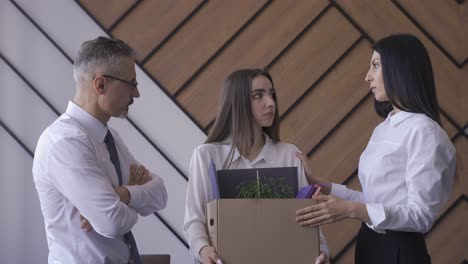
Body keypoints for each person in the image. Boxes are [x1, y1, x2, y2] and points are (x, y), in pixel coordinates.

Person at [295, 34, 457, 264]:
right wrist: (321, 183)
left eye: (376, 65)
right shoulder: (384, 128)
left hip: (399, 252)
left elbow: (421, 216)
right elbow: (373, 200)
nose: (367, 76)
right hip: (369, 244)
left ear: (400, 68)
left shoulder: (424, 132)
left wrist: (352, 210)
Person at [32, 36, 168, 264]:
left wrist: (122, 194)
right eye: (131, 84)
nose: (137, 94)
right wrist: (133, 192)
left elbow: (160, 194)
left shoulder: (109, 137)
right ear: (101, 85)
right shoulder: (64, 142)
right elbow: (112, 222)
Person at [184, 69, 329, 264]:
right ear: (237, 101)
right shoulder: (206, 155)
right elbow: (194, 219)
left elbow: (310, 218)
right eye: (258, 96)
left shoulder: (290, 154)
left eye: (271, 94)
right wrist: (203, 250)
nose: (271, 103)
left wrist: (322, 253)